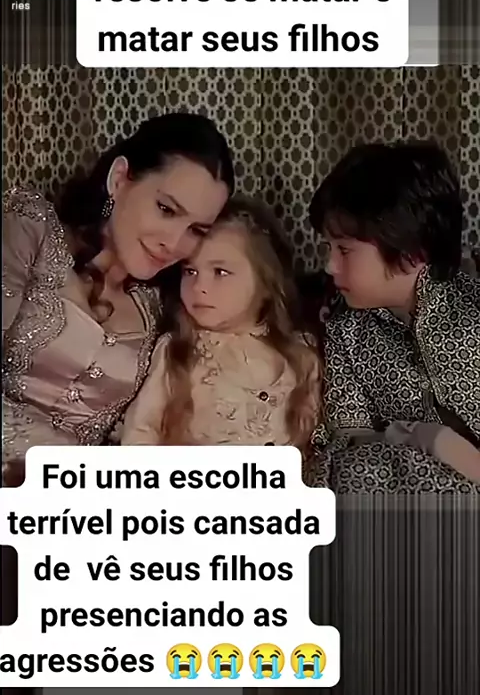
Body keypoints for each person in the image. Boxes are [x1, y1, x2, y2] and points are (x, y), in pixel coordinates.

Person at [2, 113, 234, 481]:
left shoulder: (163, 310)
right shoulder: (32, 227)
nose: (174, 243)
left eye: (196, 230)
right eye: (166, 209)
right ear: (120, 178)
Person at [305, 141, 480, 492]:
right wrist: (418, 439)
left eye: (345, 250)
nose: (329, 266)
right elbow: (348, 437)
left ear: (411, 253)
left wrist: (452, 449)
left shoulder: (473, 306)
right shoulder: (345, 331)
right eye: (328, 247)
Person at [121, 196, 321, 448]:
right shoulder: (177, 351)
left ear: (266, 281)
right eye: (190, 271)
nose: (199, 287)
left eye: (220, 272)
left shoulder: (301, 356)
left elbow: (312, 442)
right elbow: (141, 433)